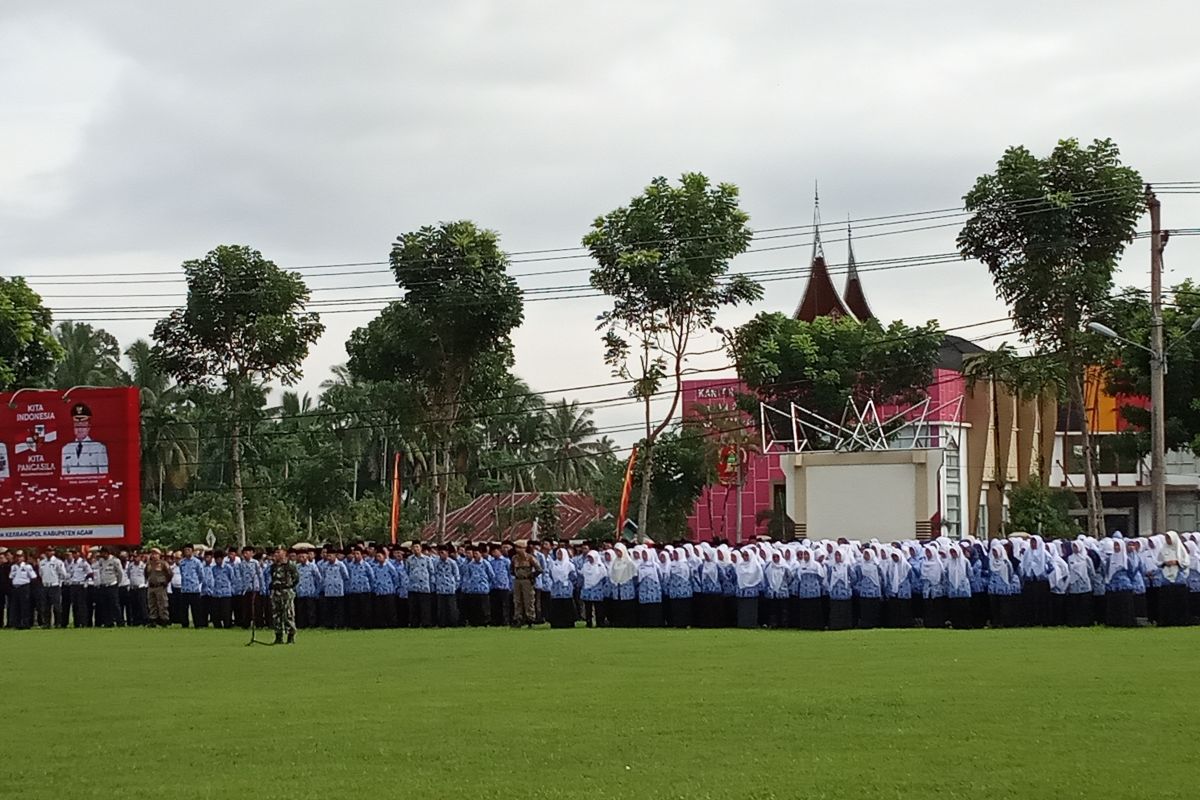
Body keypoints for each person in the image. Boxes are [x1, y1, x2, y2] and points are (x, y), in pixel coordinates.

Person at [60, 403, 109, 476]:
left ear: (88, 427)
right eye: (77, 426)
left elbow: (104, 475)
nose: (80, 429)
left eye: (83, 426)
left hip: (91, 486)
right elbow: (64, 475)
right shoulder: (66, 449)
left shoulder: (99, 448)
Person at [1156, 531, 1192, 627]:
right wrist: (1165, 563)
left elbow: (1186, 562)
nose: (1168, 540)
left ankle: (1180, 620)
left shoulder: (1180, 549)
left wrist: (1176, 562)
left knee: (1178, 601)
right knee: (1167, 601)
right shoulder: (1163, 549)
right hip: (1166, 578)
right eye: (1166, 538)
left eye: (1169, 538)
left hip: (1178, 579)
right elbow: (1158, 561)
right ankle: (1166, 621)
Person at [269, 547, 300, 645]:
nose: (276, 554)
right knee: (276, 615)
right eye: (275, 552)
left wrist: (288, 586)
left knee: (288, 614)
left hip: (286, 592)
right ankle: (278, 636)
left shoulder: (290, 566)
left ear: (284, 553)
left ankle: (290, 636)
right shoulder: (273, 566)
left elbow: (296, 579)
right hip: (275, 592)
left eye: (279, 552)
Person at [1104, 538, 1137, 627]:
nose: (1116, 547)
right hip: (1113, 585)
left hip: (1124, 585)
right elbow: (1106, 571)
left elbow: (1132, 571)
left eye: (1118, 545)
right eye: (1115, 545)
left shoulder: (1126, 559)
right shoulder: (1110, 559)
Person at [509, 541, 541, 628]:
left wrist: (531, 576)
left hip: (527, 580)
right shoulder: (514, 558)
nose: (517, 550)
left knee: (529, 600)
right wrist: (516, 574)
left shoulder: (530, 558)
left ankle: (530, 618)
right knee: (517, 600)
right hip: (517, 580)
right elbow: (511, 569)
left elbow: (539, 569)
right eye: (516, 547)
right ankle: (518, 618)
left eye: (519, 547)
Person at [460, 547, 495, 627]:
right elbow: (467, 576)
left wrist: (487, 585)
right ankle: (475, 622)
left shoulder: (486, 563)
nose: (475, 555)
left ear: (480, 554)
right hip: (473, 589)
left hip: (483, 589)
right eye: (474, 554)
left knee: (484, 607)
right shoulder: (470, 565)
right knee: (474, 607)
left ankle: (486, 622)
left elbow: (491, 575)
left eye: (476, 553)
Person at [1065, 540, 1096, 627]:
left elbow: (1091, 572)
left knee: (1085, 604)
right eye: (1073, 547)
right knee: (1075, 604)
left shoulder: (1086, 558)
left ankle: (1086, 622)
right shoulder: (1070, 558)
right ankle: (1074, 622)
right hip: (1074, 584)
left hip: (1084, 584)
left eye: (1076, 546)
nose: (1075, 548)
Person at [606, 543, 637, 628]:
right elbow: (612, 574)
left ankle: (628, 623)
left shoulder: (629, 563)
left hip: (627, 588)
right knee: (618, 606)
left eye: (619, 551)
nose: (618, 553)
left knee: (627, 606)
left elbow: (634, 575)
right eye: (616, 551)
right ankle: (618, 622)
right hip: (617, 588)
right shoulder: (614, 562)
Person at [93, 547, 124, 628]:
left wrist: (118, 583)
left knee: (115, 605)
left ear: (107, 553)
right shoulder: (101, 561)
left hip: (112, 585)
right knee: (105, 605)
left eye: (102, 553)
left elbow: (120, 573)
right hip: (103, 585)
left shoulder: (115, 560)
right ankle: (108, 622)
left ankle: (120, 622)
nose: (101, 555)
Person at [368, 550, 400, 629]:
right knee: (380, 609)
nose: (378, 558)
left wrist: (395, 587)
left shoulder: (389, 566)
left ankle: (392, 624)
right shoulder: (375, 567)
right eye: (377, 556)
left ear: (384, 557)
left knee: (390, 609)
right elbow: (373, 578)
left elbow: (395, 576)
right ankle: (382, 624)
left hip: (389, 590)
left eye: (380, 556)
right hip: (379, 591)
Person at [318, 550, 349, 629]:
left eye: (330, 556)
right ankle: (329, 624)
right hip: (328, 590)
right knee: (329, 608)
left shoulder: (340, 564)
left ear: (335, 556)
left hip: (338, 590)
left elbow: (345, 576)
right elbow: (323, 576)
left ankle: (339, 624)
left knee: (339, 609)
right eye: (328, 556)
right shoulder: (325, 566)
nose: (329, 558)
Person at [406, 543, 435, 628]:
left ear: (421, 548)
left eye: (417, 547)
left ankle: (426, 623)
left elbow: (431, 571)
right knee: (414, 607)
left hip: (424, 587)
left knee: (425, 607)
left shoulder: (427, 559)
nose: (415, 549)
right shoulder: (409, 559)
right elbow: (407, 571)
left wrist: (431, 584)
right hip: (413, 586)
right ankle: (414, 623)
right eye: (414, 547)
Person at [36, 548, 67, 628]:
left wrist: (59, 582)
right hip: (45, 586)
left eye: (50, 551)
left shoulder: (58, 562)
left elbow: (63, 574)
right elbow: (41, 573)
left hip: (55, 586)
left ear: (53, 552)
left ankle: (58, 623)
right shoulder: (42, 562)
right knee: (45, 606)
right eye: (47, 551)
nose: (48, 552)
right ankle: (47, 623)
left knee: (57, 606)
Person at [665, 548, 695, 629]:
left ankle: (686, 623)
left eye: (676, 554)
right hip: (674, 589)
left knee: (685, 606)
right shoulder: (671, 564)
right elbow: (667, 576)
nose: (675, 556)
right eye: (674, 554)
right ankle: (676, 623)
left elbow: (690, 576)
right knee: (675, 607)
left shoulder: (686, 564)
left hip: (684, 589)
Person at [547, 548, 576, 629]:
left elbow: (573, 577)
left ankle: (568, 622)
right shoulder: (553, 564)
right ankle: (556, 623)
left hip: (566, 588)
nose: (559, 555)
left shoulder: (569, 564)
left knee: (567, 604)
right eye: (558, 554)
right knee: (556, 605)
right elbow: (550, 574)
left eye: (561, 554)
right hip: (556, 588)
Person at [854, 548, 884, 629]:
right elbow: (859, 578)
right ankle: (865, 623)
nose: (866, 556)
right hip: (864, 590)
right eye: (865, 554)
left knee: (874, 607)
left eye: (867, 554)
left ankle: (875, 623)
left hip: (874, 590)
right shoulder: (861, 566)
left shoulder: (876, 566)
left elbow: (881, 577)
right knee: (865, 608)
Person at [344, 548, 373, 630]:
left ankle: (366, 625)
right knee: (354, 609)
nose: (356, 556)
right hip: (354, 590)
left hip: (364, 590)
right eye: (354, 554)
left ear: (361, 555)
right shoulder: (350, 565)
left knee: (365, 609)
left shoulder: (366, 565)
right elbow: (348, 576)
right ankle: (355, 625)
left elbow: (371, 576)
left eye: (357, 554)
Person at [945, 545, 973, 629]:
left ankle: (965, 624)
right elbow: (946, 574)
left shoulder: (965, 561)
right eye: (952, 552)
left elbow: (970, 574)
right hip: (953, 588)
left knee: (964, 607)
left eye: (954, 552)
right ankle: (956, 624)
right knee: (954, 607)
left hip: (963, 588)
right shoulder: (949, 562)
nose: (953, 554)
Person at [825, 549, 853, 631]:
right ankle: (835, 625)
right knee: (835, 609)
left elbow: (853, 577)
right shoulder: (832, 567)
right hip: (835, 592)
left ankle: (845, 625)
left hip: (845, 592)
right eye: (836, 555)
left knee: (844, 609)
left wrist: (848, 585)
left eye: (839, 555)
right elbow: (829, 578)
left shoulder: (847, 566)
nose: (837, 557)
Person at [433, 545, 460, 627]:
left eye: (443, 552)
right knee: (441, 608)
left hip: (450, 588)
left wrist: (455, 586)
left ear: (447, 553)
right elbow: (434, 573)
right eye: (440, 553)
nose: (442, 554)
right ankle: (442, 623)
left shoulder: (452, 563)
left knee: (451, 607)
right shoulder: (436, 563)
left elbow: (456, 575)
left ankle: (453, 623)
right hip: (440, 588)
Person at [8, 551, 37, 629]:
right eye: (17, 556)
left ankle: (25, 623)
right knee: (16, 606)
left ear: (23, 558)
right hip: (16, 588)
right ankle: (17, 623)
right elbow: (11, 577)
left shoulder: (27, 567)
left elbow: (33, 577)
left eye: (20, 556)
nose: (18, 558)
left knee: (25, 606)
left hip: (24, 587)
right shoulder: (13, 566)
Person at [636, 548, 664, 628]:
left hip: (654, 589)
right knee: (645, 607)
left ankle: (655, 623)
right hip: (643, 590)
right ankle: (645, 623)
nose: (644, 556)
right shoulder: (640, 566)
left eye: (645, 554)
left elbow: (660, 576)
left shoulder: (655, 566)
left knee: (654, 607)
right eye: (643, 554)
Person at [579, 551, 607, 628]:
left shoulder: (600, 566)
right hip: (587, 589)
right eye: (589, 557)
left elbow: (604, 577)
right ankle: (589, 622)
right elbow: (582, 575)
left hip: (597, 589)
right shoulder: (585, 566)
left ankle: (599, 622)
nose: (590, 559)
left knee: (598, 607)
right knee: (588, 607)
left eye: (591, 557)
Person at [295, 550, 322, 629]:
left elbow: (318, 579)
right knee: (301, 610)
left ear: (307, 557)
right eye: (300, 557)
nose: (301, 558)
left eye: (303, 557)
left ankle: (311, 625)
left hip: (310, 591)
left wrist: (317, 590)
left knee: (311, 610)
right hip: (300, 591)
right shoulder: (297, 567)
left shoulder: (312, 566)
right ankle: (302, 625)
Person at [208, 550, 235, 629]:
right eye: (216, 559)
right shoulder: (213, 569)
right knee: (215, 612)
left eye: (219, 559)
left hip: (226, 593)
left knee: (226, 611)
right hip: (216, 593)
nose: (217, 561)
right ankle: (217, 625)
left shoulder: (228, 568)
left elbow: (232, 579)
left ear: (222, 559)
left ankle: (227, 625)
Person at [145, 549, 172, 627]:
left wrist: (165, 582)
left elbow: (169, 574)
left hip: (160, 586)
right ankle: (153, 620)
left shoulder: (163, 564)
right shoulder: (149, 564)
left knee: (162, 604)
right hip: (151, 587)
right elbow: (146, 574)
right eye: (152, 554)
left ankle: (164, 620)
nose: (154, 555)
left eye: (156, 554)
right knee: (152, 604)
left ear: (159, 555)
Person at [487, 544, 512, 627]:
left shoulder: (506, 561)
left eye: (495, 551)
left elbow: (510, 574)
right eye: (492, 552)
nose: (494, 554)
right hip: (494, 586)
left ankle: (505, 621)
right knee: (495, 605)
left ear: (499, 551)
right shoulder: (491, 562)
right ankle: (495, 621)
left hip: (504, 586)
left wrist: (510, 585)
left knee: (504, 605)